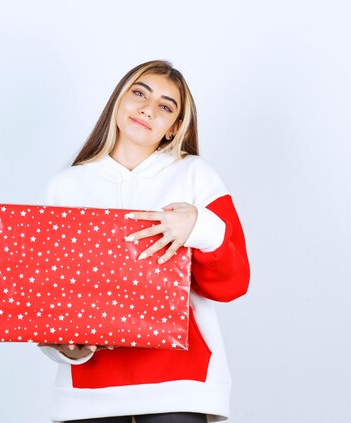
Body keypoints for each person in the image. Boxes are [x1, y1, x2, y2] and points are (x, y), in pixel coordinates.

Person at [39, 60, 250, 423]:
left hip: (182, 382)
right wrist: (64, 348)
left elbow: (234, 283)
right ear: (119, 101)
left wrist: (197, 227)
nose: (148, 109)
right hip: (91, 388)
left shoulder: (197, 176)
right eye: (140, 93)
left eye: (166, 107)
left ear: (174, 128)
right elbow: (49, 299)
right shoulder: (66, 186)